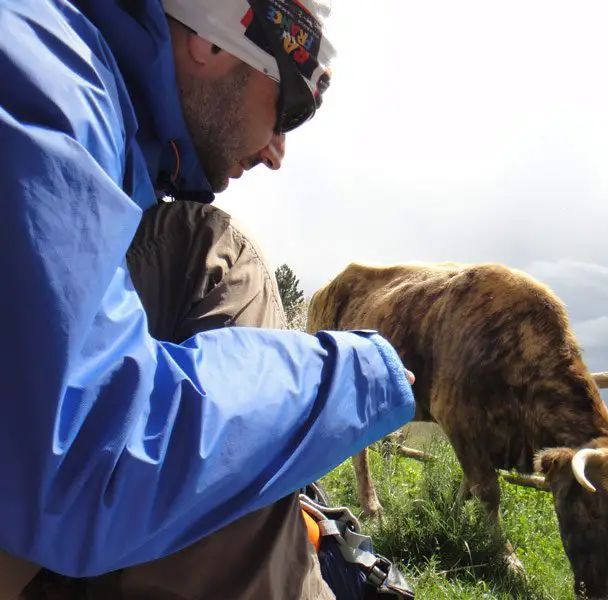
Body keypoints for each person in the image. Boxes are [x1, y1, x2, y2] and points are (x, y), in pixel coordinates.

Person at [0, 0, 416, 591]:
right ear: (214, 40)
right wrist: (357, 374)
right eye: (292, 108)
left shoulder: (98, 106)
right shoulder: (48, 76)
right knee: (220, 253)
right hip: (51, 495)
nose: (277, 152)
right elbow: (86, 454)